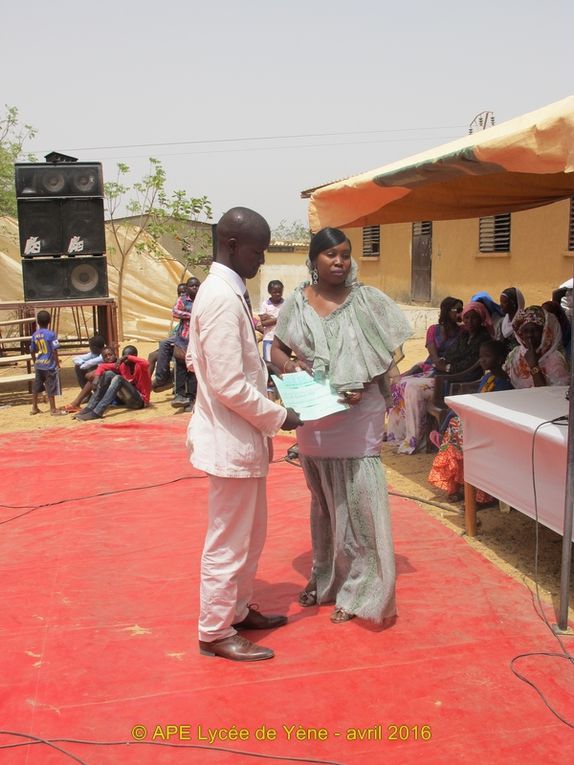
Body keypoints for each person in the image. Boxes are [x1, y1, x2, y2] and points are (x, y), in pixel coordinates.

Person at [271, 227, 412, 625]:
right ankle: (328, 576)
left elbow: (387, 355)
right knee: (325, 502)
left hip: (359, 411)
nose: (339, 261)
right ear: (313, 260)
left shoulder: (366, 300)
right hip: (315, 412)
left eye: (345, 254)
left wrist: (363, 381)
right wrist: (290, 365)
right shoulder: (296, 303)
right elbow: (278, 349)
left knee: (361, 500)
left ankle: (363, 589)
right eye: (330, 254)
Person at [187, 207, 302, 662]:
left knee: (250, 534)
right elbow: (227, 383)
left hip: (243, 439)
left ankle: (235, 610)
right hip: (231, 439)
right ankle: (214, 630)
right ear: (233, 245)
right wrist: (280, 415)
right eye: (258, 250)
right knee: (228, 539)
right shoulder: (218, 296)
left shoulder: (229, 291)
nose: (263, 260)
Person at [387, 301, 493, 454]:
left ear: (481, 319)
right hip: (443, 375)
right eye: (467, 318)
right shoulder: (464, 335)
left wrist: (448, 367)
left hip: (456, 381)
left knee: (413, 389)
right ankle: (401, 435)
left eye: (474, 318)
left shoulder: (482, 339)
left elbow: (470, 364)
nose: (469, 321)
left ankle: (417, 440)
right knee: (401, 384)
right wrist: (444, 364)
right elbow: (450, 354)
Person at [428, 340, 513, 502]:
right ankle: (460, 485)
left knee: (459, 430)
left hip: (491, 425)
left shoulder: (503, 383)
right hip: (479, 419)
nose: (482, 360)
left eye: (487, 357)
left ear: (501, 358)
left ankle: (481, 496)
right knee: (455, 424)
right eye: (481, 357)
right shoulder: (487, 377)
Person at [386, 296, 463, 444]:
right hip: (430, 369)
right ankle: (397, 433)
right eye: (457, 310)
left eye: (462, 310)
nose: (461, 314)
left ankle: (416, 438)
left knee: (411, 388)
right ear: (447, 311)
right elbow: (434, 357)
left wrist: (445, 367)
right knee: (397, 385)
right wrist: (440, 365)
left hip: (442, 375)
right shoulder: (434, 330)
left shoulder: (463, 332)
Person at [74, 345, 151, 421]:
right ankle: (89, 407)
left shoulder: (140, 366)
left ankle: (97, 412)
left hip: (140, 401)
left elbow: (147, 363)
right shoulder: (122, 365)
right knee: (108, 374)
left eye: (127, 356)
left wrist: (128, 357)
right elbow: (102, 366)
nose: (124, 358)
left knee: (118, 378)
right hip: (127, 400)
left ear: (134, 356)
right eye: (123, 355)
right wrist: (97, 378)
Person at [505, 305, 570, 388]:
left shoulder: (555, 359)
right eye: (525, 331)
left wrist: (534, 366)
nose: (529, 335)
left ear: (545, 332)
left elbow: (549, 395)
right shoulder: (515, 354)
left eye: (535, 330)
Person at [151, 282, 189, 390]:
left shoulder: (191, 303)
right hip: (180, 335)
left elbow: (176, 313)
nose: (182, 295)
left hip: (188, 336)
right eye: (180, 293)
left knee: (164, 345)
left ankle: (161, 379)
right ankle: (158, 379)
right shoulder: (182, 303)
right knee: (157, 351)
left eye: (184, 292)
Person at [30, 310, 67, 417]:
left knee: (36, 386)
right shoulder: (51, 334)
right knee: (50, 386)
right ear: (49, 321)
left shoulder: (35, 335)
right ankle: (53, 409)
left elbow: (32, 350)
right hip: (49, 365)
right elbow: (55, 350)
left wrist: (34, 362)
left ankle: (34, 407)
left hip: (39, 364)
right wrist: (57, 363)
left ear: (37, 322)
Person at [172, 277, 201, 409]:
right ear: (187, 287)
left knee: (194, 369)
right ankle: (180, 395)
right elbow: (175, 311)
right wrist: (192, 315)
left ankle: (192, 397)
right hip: (183, 340)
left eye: (196, 285)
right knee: (180, 367)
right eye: (191, 286)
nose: (194, 288)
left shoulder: (203, 298)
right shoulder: (183, 299)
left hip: (197, 340)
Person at [63, 346, 117, 413]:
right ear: (103, 358)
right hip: (112, 393)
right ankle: (77, 403)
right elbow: (88, 375)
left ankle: (77, 403)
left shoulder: (118, 363)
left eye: (110, 355)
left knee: (101, 375)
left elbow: (89, 375)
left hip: (119, 396)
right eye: (105, 356)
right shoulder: (104, 363)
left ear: (115, 354)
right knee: (96, 376)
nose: (108, 357)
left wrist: (96, 376)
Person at [258, 280, 285, 362]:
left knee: (280, 362)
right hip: (269, 338)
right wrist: (280, 318)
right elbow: (264, 323)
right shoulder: (265, 304)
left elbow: (287, 320)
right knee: (268, 362)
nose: (278, 294)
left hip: (282, 339)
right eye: (274, 292)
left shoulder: (285, 304)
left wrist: (270, 318)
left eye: (280, 292)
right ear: (269, 292)